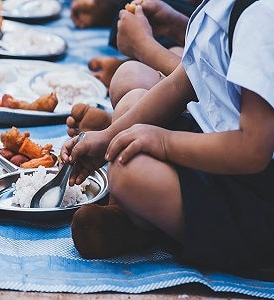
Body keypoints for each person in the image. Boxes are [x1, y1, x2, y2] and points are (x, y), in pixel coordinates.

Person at [61, 0, 274, 276]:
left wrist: (163, 142)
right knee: (131, 111)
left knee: (129, 170)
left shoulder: (261, 18)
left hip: (257, 192)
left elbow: (253, 150)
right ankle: (142, 219)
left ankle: (142, 225)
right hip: (217, 142)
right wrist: (107, 136)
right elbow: (181, 83)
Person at [67, 0, 191, 137]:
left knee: (132, 98)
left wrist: (143, 47)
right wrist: (175, 25)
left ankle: (115, 129)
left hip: (208, 125)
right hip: (194, 78)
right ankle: (120, 125)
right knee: (129, 75)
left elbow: (205, 82)